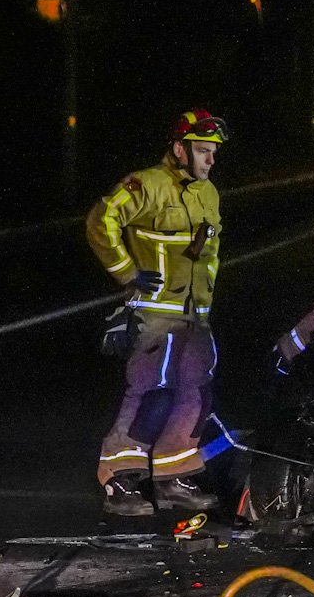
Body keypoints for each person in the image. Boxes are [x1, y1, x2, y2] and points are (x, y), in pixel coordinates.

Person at [84, 109, 228, 516]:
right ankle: (119, 478)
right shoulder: (146, 184)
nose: (210, 160)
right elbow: (101, 221)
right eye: (203, 151)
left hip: (196, 316)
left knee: (194, 395)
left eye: (214, 153)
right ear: (180, 149)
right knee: (151, 394)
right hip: (155, 313)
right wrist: (128, 273)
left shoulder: (209, 192)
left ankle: (172, 477)